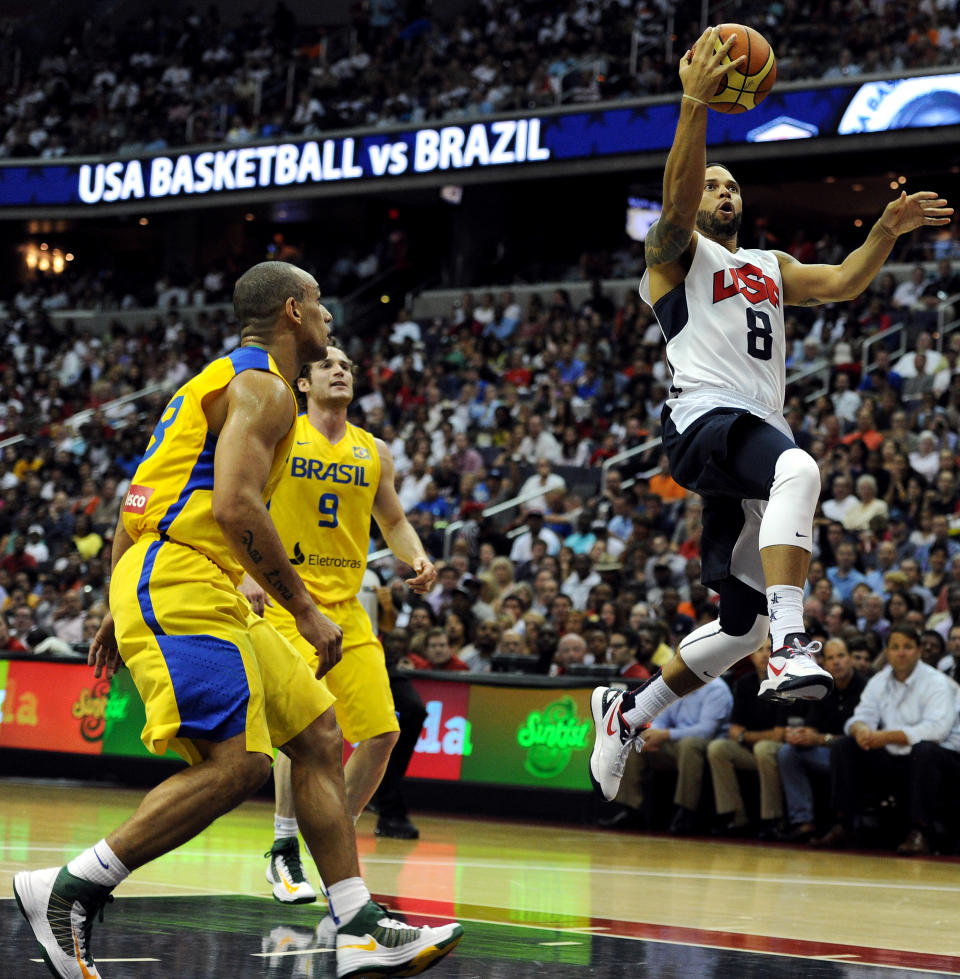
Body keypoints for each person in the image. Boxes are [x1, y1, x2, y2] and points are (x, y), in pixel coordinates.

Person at [13, 262, 462, 979]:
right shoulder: (263, 387)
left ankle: (358, 923)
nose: (328, 320)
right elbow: (233, 507)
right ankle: (68, 888)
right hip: (183, 577)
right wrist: (306, 610)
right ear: (292, 311)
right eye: (319, 306)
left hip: (184, 576)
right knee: (241, 764)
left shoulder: (220, 382)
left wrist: (114, 597)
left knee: (317, 732)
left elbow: (136, 497)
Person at [588, 26, 952, 803]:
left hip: (750, 436)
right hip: (703, 419)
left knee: (738, 626)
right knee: (801, 467)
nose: (724, 192)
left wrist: (885, 229)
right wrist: (694, 105)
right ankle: (794, 640)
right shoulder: (675, 257)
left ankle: (630, 710)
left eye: (732, 186)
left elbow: (847, 282)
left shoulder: (769, 268)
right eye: (713, 184)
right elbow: (676, 202)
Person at [243, 342, 438, 906]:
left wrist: (417, 557)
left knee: (383, 733)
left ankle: (332, 844)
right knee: (304, 723)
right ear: (302, 384)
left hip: (347, 611)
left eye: (348, 365)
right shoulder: (281, 434)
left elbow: (394, 519)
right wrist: (246, 572)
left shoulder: (373, 451)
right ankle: (282, 852)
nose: (340, 370)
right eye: (328, 364)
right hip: (287, 599)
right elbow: (241, 499)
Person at [812, 625, 960, 855]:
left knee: (925, 750)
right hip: (896, 757)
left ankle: (920, 831)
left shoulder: (937, 682)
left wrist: (885, 736)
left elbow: (936, 730)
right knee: (845, 745)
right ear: (887, 652)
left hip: (941, 760)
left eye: (907, 647)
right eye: (895, 647)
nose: (901, 653)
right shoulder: (878, 681)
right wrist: (861, 730)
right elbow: (861, 717)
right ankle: (844, 824)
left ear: (919, 651)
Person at [776, 637, 866, 842]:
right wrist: (800, 736)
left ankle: (842, 824)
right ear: (824, 664)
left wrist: (820, 739)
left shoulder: (866, 688)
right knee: (787, 752)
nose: (836, 662)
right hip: (826, 753)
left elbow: (861, 738)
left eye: (841, 656)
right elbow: (811, 728)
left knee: (842, 753)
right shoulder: (822, 687)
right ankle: (802, 821)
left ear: (851, 659)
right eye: (831, 658)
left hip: (858, 756)